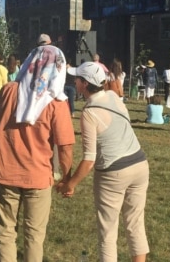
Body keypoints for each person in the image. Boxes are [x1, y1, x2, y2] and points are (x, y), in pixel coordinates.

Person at [0, 36, 74, 262]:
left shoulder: (9, 91)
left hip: (5, 172)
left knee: (5, 231)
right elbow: (66, 146)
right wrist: (66, 176)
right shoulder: (57, 101)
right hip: (38, 176)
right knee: (34, 234)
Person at [57, 61, 149, 262]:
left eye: (77, 78)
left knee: (107, 231)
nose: (74, 81)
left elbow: (89, 159)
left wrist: (69, 185)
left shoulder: (89, 113)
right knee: (135, 223)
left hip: (113, 173)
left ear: (84, 84)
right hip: (140, 164)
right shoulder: (113, 97)